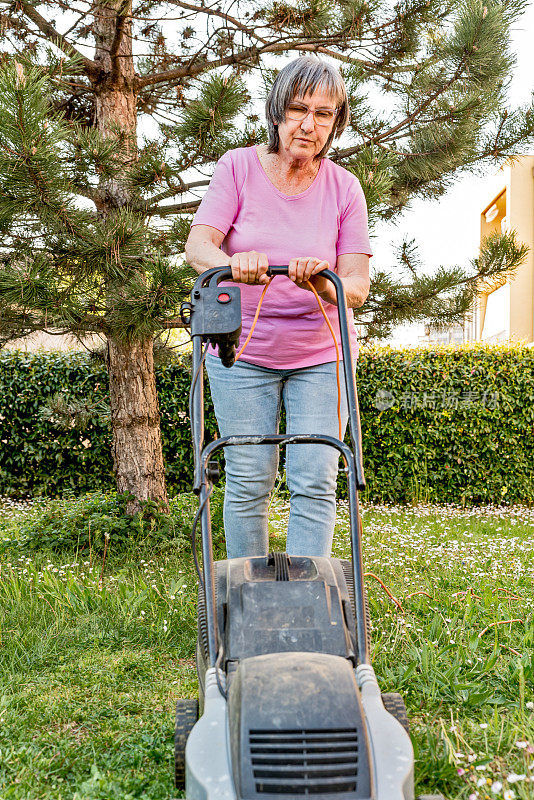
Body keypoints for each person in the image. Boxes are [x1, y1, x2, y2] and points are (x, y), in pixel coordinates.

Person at [185, 56, 372, 559]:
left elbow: (356, 287)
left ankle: (308, 605)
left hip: (322, 353)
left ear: (337, 122)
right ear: (276, 113)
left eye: (325, 113)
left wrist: (324, 283)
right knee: (248, 479)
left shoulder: (344, 187)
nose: (309, 125)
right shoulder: (238, 168)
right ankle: (248, 604)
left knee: (314, 478)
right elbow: (198, 245)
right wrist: (231, 262)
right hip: (242, 351)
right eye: (298, 110)